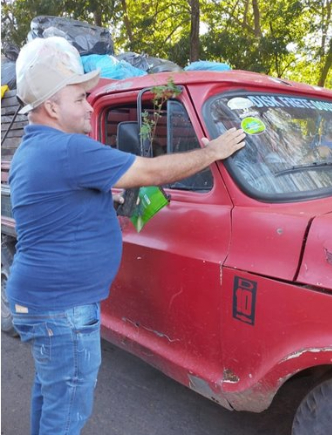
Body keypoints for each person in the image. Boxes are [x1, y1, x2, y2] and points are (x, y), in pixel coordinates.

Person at [6, 36, 245, 435]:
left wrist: (106, 204)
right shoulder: (68, 150)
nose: (88, 105)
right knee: (66, 415)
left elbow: (57, 211)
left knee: (52, 397)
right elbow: (149, 172)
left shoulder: (35, 150)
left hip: (44, 302)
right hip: (63, 310)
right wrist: (211, 153)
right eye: (81, 97)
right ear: (51, 106)